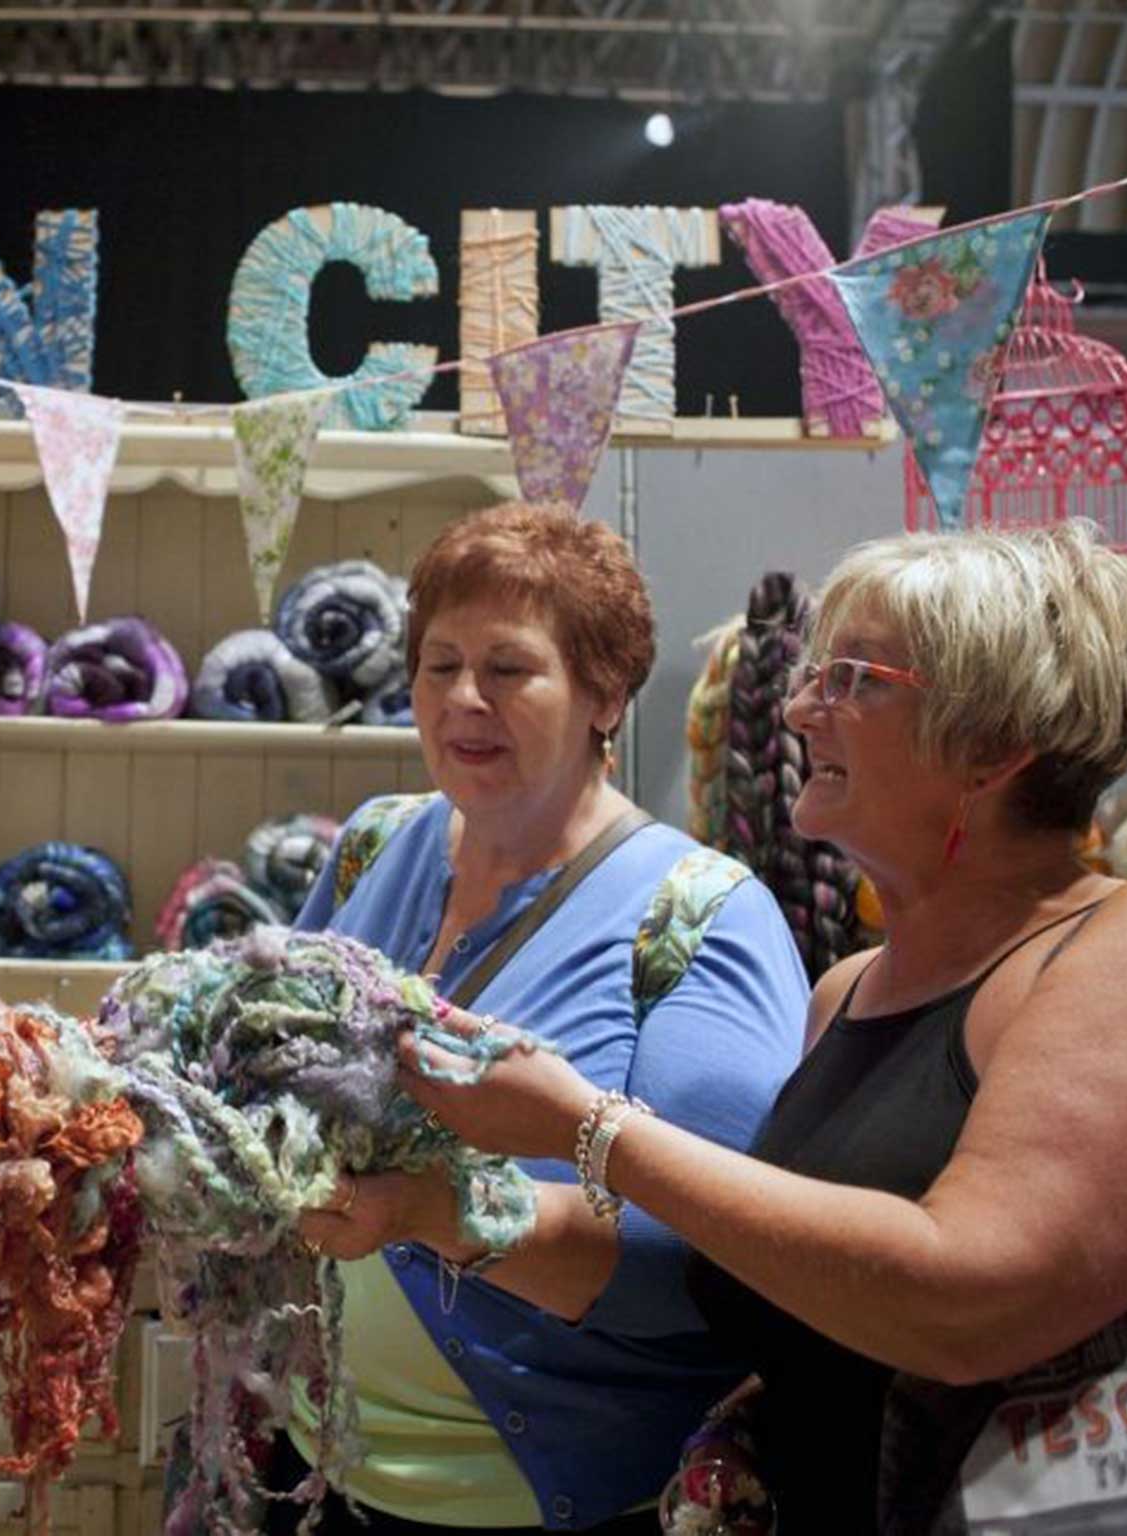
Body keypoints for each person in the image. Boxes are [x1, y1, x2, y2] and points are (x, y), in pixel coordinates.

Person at [402, 522, 1127, 1534]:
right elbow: (831, 1290)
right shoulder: (848, 991)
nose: (798, 704)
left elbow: (965, 1303)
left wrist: (588, 1130)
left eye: (853, 679)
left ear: (993, 741)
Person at [284, 503, 812, 1536]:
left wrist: (432, 1211)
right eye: (438, 665)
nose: (462, 700)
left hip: (546, 1495)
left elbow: (705, 1268)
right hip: (318, 1465)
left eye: (508, 669)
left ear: (605, 691)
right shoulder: (372, 846)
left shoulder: (700, 915)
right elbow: (263, 1069)